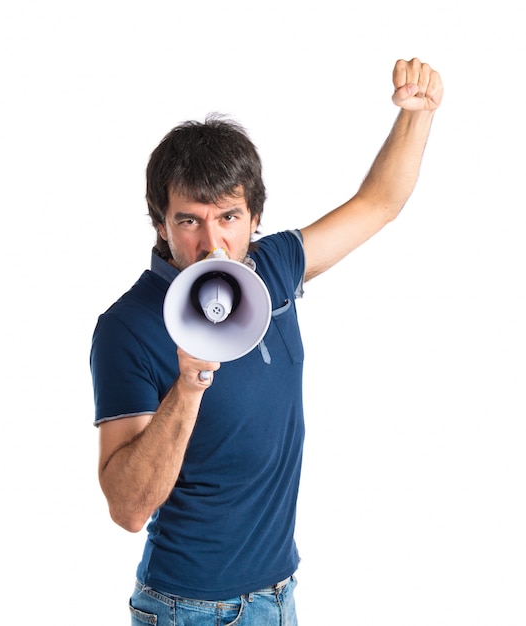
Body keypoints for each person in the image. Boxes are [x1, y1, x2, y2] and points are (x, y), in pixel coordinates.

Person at [90, 58, 443, 625]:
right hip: (190, 610)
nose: (212, 242)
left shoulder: (273, 268)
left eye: (229, 216)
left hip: (276, 597)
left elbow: (378, 203)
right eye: (189, 221)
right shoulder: (127, 327)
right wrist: (189, 384)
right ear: (160, 223)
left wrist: (417, 116)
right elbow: (129, 510)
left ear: (254, 217)